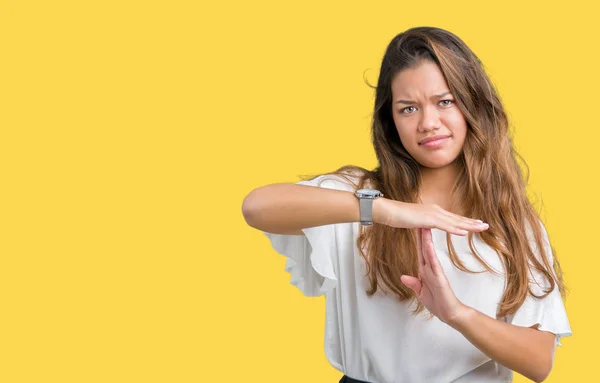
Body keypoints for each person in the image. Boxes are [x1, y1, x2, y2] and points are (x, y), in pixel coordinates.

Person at [241, 26, 572, 383]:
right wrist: (384, 210)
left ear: (472, 104)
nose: (428, 123)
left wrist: (456, 313)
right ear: (391, 121)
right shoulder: (359, 195)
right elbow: (257, 207)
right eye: (408, 108)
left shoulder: (509, 219)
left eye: (445, 101)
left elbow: (539, 362)